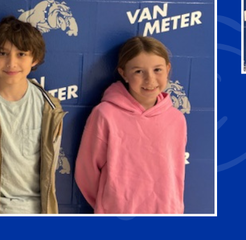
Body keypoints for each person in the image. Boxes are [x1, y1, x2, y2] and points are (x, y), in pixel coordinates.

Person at [0, 17, 64, 213]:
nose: (11, 62)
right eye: (3, 53)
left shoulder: (49, 107)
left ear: (34, 59)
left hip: (34, 211)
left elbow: (50, 165)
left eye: (21, 54)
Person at [75, 36, 187, 213]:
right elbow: (86, 172)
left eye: (157, 70)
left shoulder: (176, 119)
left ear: (167, 70)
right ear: (123, 73)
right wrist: (111, 204)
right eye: (138, 71)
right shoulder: (105, 114)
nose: (150, 80)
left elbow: (176, 172)